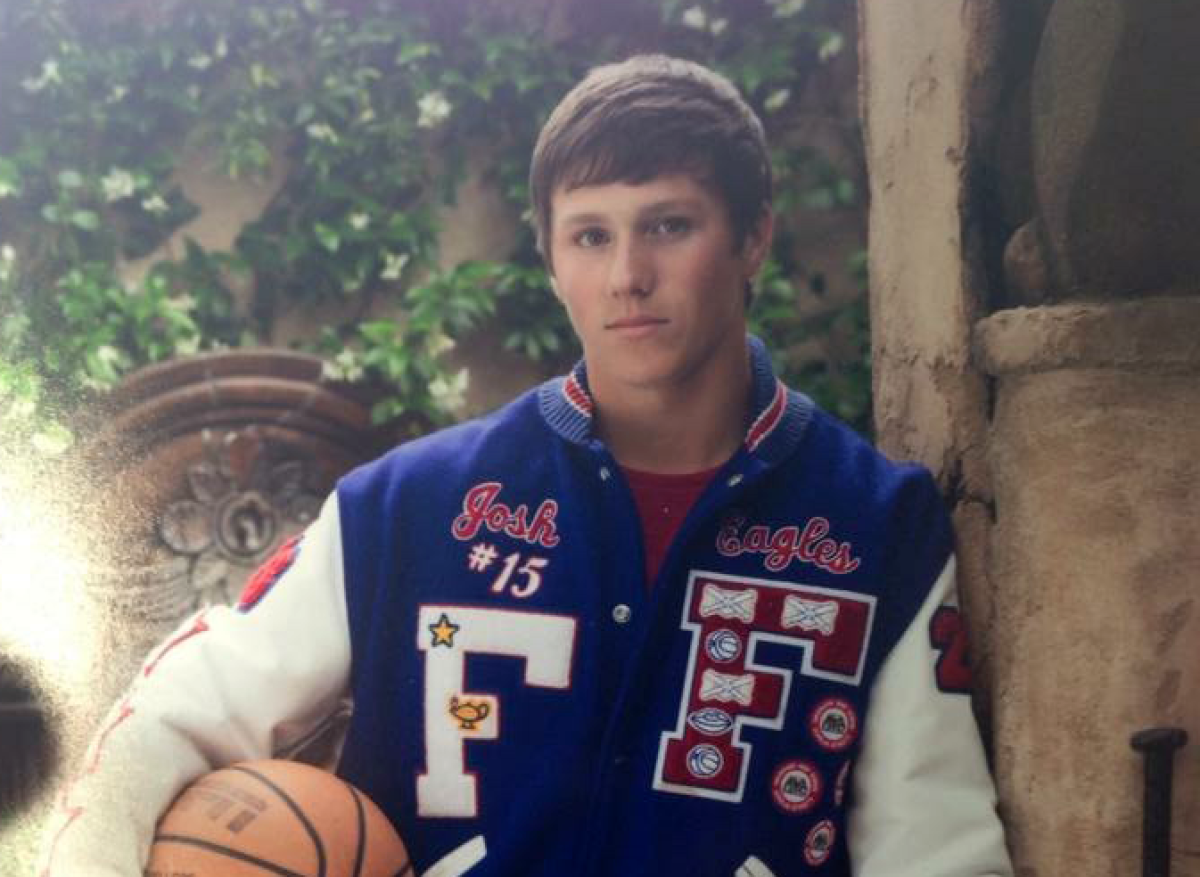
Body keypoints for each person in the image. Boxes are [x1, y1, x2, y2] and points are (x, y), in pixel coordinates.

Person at [40, 54, 1013, 876]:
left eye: (669, 224)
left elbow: (934, 845)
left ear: (753, 233)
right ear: (551, 259)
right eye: (591, 234)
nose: (627, 274)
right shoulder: (407, 507)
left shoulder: (874, 524)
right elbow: (184, 706)